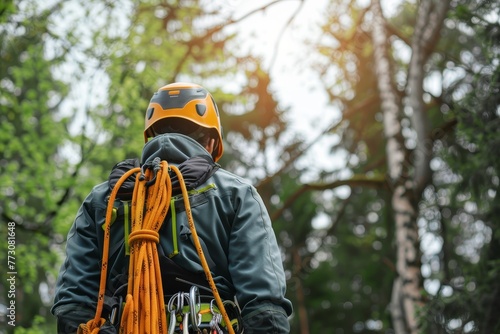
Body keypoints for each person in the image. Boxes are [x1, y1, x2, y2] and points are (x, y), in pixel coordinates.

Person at [51, 82, 293, 333]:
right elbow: (264, 306)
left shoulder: (104, 198)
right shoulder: (236, 194)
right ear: (211, 142)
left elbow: (73, 305)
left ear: (151, 133)